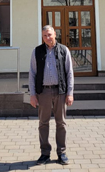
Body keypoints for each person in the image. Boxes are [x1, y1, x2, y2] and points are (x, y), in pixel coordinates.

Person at [29, 25, 74, 165]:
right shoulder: (37, 51)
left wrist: (70, 93)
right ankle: (44, 153)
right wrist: (32, 94)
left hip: (60, 91)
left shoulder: (63, 50)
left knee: (61, 123)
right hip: (43, 93)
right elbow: (32, 73)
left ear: (55, 33)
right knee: (43, 123)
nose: (47, 38)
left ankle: (62, 153)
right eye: (44, 36)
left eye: (49, 34)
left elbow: (69, 73)